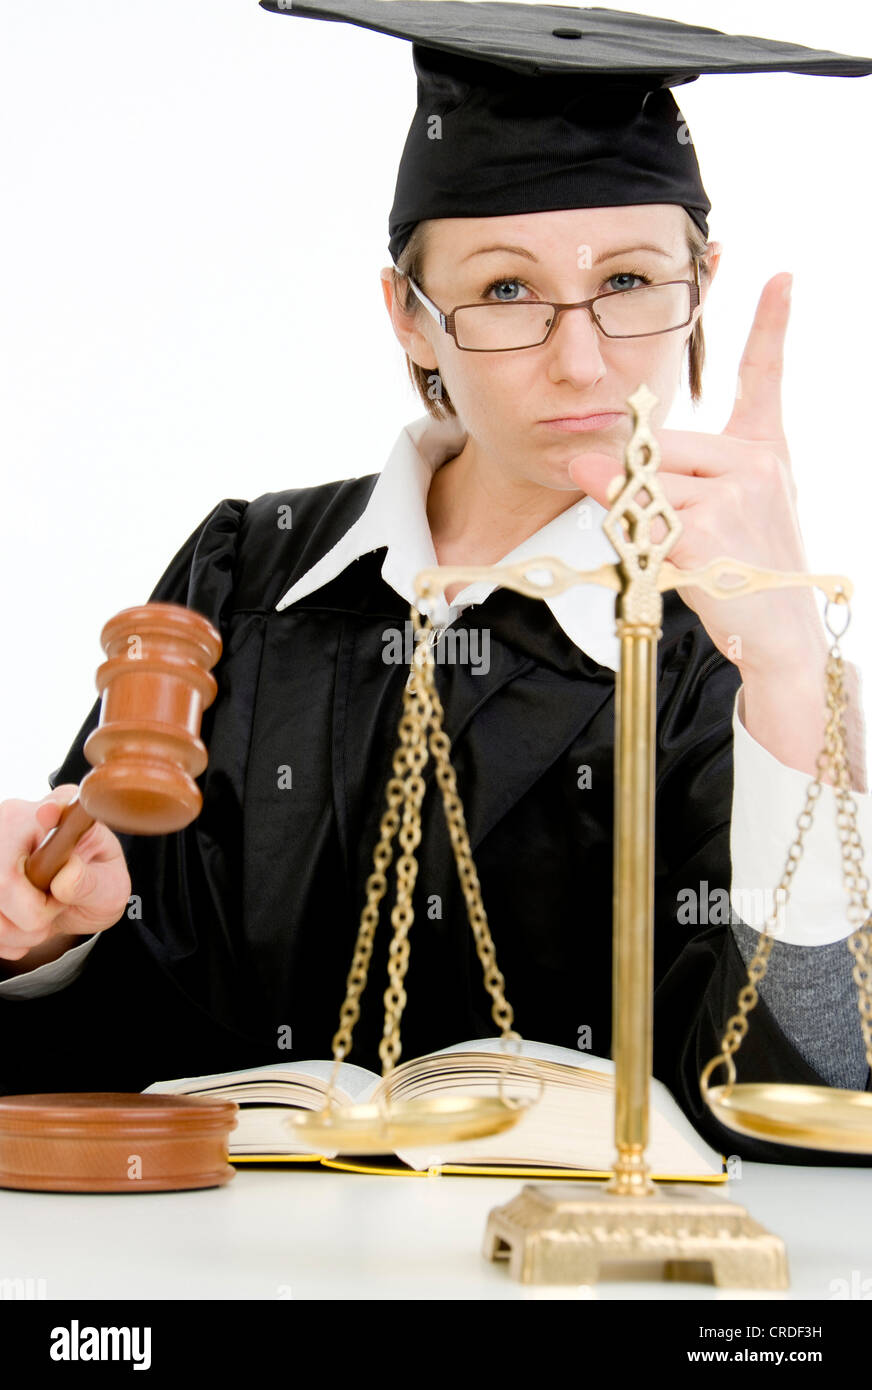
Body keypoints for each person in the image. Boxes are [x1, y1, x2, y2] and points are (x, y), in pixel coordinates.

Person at [1, 1, 871, 1168]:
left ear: (699, 279)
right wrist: (44, 936)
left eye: (626, 278)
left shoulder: (730, 635)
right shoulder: (245, 573)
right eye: (504, 290)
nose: (580, 356)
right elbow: (103, 1032)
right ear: (409, 317)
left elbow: (815, 1098)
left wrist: (783, 670)